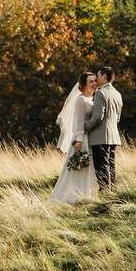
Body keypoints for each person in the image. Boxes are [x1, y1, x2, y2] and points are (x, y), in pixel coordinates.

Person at [50, 72, 98, 203]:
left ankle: (87, 195)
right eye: (90, 82)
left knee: (88, 167)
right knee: (78, 167)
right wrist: (79, 140)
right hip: (81, 139)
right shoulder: (80, 99)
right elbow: (78, 121)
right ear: (84, 84)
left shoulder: (93, 99)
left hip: (90, 137)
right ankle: (71, 198)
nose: (94, 84)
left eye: (95, 81)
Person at [84, 65, 123, 193]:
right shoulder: (117, 94)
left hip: (100, 137)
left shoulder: (101, 93)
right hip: (113, 136)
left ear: (104, 76)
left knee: (101, 166)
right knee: (111, 165)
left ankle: (104, 192)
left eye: (98, 75)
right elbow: (117, 118)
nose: (97, 79)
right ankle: (113, 191)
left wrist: (85, 128)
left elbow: (97, 117)